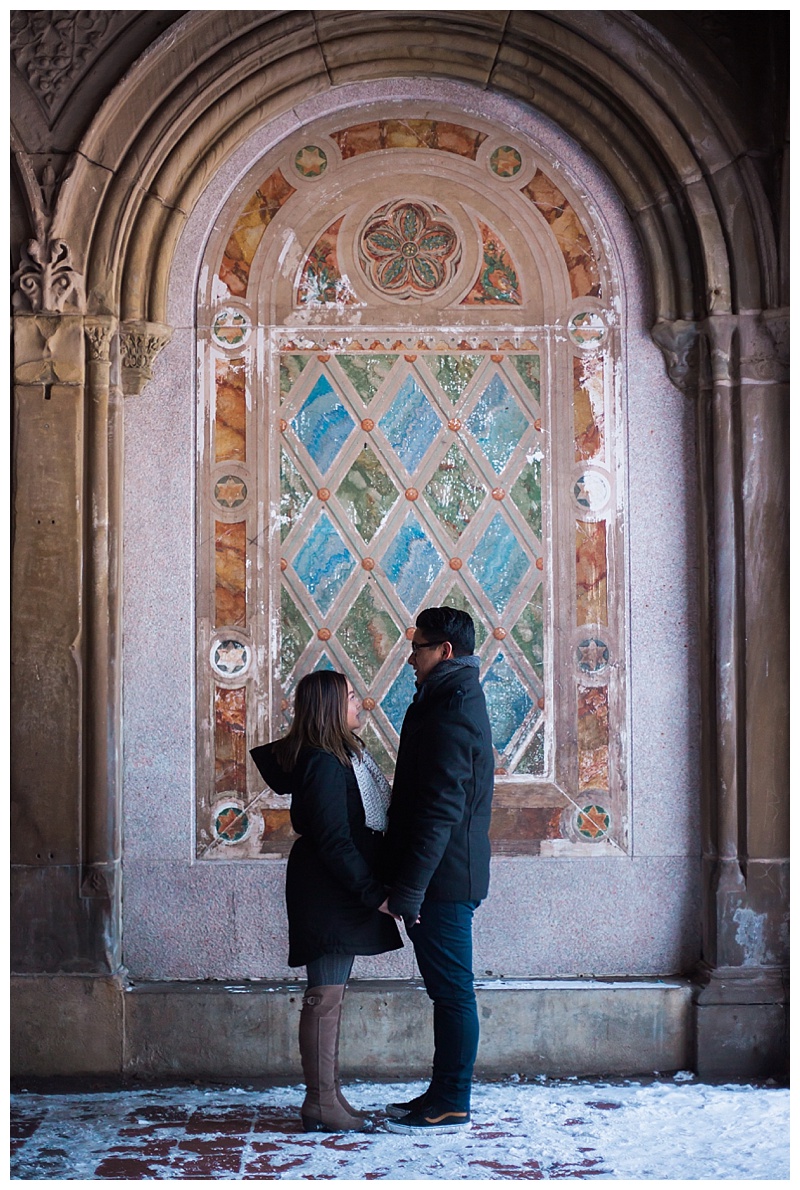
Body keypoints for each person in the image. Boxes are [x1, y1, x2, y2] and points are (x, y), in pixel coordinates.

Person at [250, 670, 402, 1133]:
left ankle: (328, 1096)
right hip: (330, 891)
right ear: (331, 707)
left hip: (336, 887)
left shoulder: (342, 756)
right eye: (353, 697)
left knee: (330, 992)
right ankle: (320, 1102)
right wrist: (373, 894)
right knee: (325, 994)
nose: (362, 703)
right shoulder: (323, 762)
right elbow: (335, 840)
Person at [380, 606, 494, 1134]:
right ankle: (443, 1090)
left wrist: (411, 888)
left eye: (419, 647)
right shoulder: (447, 697)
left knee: (452, 992)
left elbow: (442, 809)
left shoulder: (452, 705)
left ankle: (453, 1099)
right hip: (442, 876)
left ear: (445, 651)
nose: (411, 657)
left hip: (443, 880)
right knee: (446, 992)